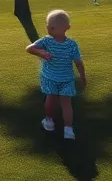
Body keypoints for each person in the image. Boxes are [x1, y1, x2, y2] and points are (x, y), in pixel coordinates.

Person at [26, 9, 86, 140]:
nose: (48, 28)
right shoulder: (72, 44)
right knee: (66, 104)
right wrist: (82, 77)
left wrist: (40, 52)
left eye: (50, 26)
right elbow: (78, 63)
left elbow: (29, 48)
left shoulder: (46, 41)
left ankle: (49, 122)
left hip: (50, 78)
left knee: (50, 99)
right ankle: (68, 130)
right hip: (67, 79)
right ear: (67, 28)